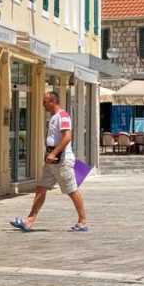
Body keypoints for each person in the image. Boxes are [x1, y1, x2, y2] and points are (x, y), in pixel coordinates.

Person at [11, 92, 88, 233]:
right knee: (41, 188)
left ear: (53, 101)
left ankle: (82, 221)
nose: (43, 104)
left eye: (45, 101)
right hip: (51, 160)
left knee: (71, 190)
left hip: (62, 160)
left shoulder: (63, 116)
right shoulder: (53, 117)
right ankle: (29, 220)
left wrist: (54, 153)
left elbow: (67, 137)